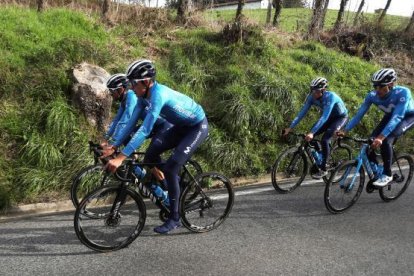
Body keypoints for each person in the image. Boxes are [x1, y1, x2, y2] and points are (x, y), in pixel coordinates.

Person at [105, 59, 208, 234]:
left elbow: (145, 129)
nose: (130, 87)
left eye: (133, 83)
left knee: (171, 168)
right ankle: (169, 189)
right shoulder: (142, 97)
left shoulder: (158, 95)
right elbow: (130, 124)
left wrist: (121, 157)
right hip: (179, 127)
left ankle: (175, 217)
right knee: (150, 157)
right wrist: (114, 146)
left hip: (196, 127)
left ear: (145, 82)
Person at [338, 68, 414, 187]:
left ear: (390, 84)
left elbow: (398, 117)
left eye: (381, 86)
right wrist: (345, 130)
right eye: (375, 86)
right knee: (370, 142)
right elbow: (359, 115)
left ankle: (387, 174)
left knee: (386, 140)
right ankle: (377, 172)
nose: (377, 90)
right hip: (390, 116)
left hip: (407, 117)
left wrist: (381, 137)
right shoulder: (372, 96)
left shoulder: (403, 92)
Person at [283, 77, 348, 179]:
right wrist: (290, 127)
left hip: (340, 118)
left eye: (317, 91)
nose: (314, 93)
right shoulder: (311, 97)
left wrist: (312, 132)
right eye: (312, 90)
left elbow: (324, 117)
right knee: (309, 136)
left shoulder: (331, 97)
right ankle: (322, 154)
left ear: (323, 90)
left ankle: (324, 167)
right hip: (329, 118)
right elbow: (301, 113)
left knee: (325, 139)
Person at [101, 73, 137, 147]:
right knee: (125, 134)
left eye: (112, 91)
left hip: (158, 125)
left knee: (149, 156)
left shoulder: (131, 96)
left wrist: (112, 142)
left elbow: (124, 121)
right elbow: (116, 120)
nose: (110, 94)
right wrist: (106, 138)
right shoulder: (124, 100)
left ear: (120, 89)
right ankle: (134, 157)